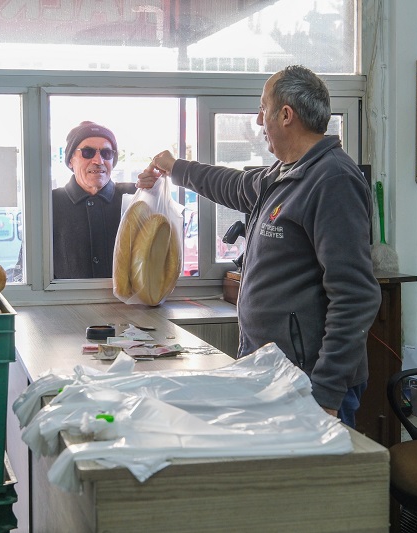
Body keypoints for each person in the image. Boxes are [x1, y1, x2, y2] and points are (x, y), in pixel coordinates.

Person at [137, 65, 381, 428]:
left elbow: (355, 295)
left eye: (262, 108)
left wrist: (327, 393)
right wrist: (174, 167)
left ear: (285, 115)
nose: (257, 120)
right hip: (268, 371)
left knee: (309, 484)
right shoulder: (282, 174)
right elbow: (230, 184)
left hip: (308, 382)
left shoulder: (333, 180)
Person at [52, 121, 136, 279]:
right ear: (70, 160)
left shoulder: (134, 198)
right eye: (88, 152)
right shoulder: (49, 204)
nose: (98, 161)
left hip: (128, 304)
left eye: (107, 153)